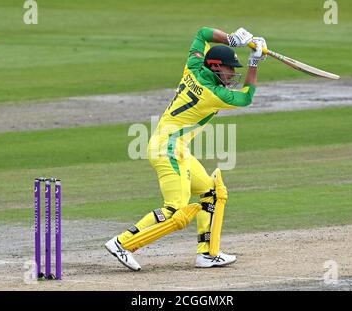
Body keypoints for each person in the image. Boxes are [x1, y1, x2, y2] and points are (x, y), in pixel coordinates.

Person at [105, 27, 267, 271]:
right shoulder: (213, 94)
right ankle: (123, 243)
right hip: (168, 149)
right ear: (214, 67)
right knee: (175, 210)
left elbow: (202, 34)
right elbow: (246, 97)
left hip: (172, 147)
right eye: (229, 69)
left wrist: (231, 40)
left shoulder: (193, 66)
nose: (232, 74)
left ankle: (208, 254)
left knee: (212, 191)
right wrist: (254, 63)